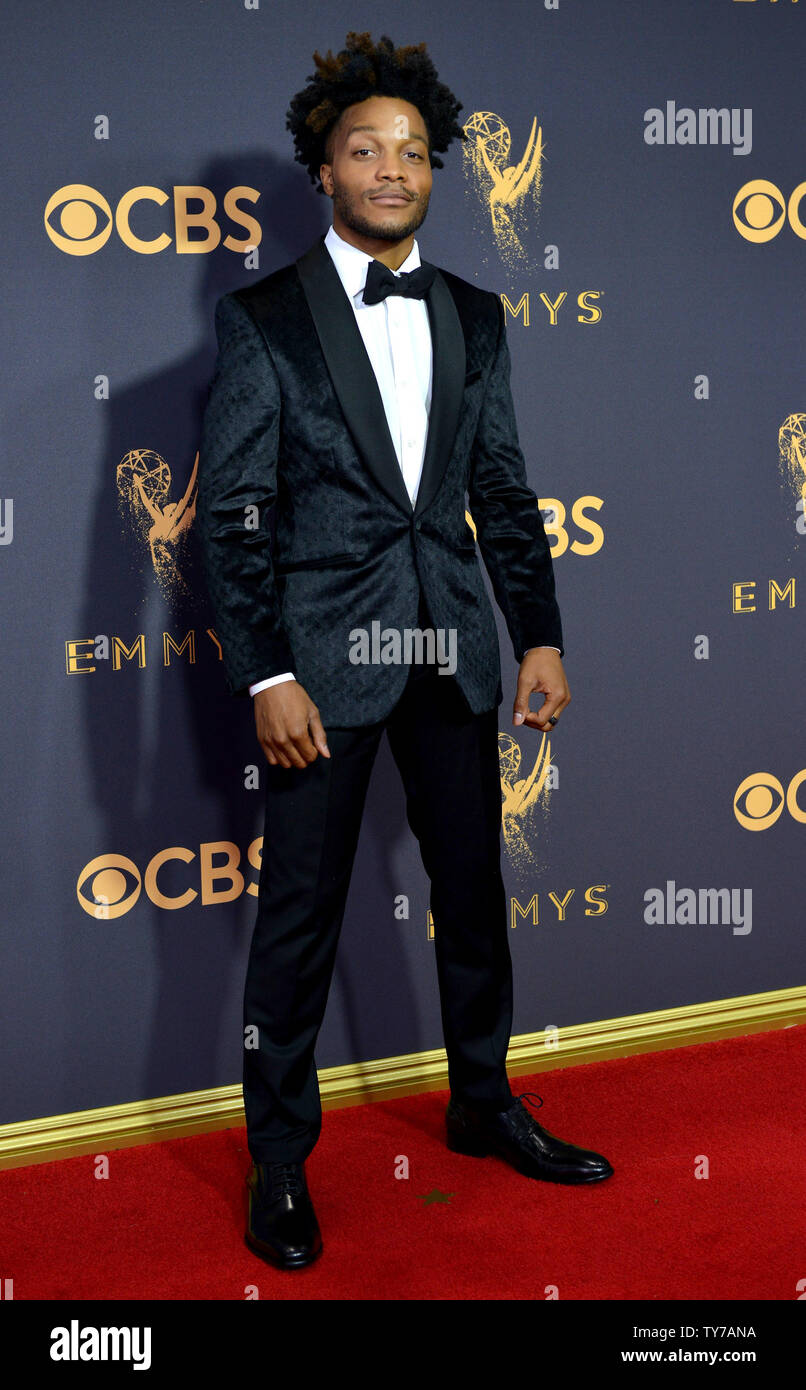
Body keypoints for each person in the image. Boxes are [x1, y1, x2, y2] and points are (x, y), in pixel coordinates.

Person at [197, 30, 613, 1272]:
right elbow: (231, 515)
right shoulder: (263, 317)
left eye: (413, 152)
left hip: (449, 642)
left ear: (436, 172)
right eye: (364, 150)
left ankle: (481, 1102)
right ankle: (280, 1164)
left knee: (472, 895)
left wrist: (535, 633)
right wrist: (267, 672)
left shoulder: (477, 316)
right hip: (319, 669)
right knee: (298, 919)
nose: (391, 170)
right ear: (321, 170)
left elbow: (501, 484)